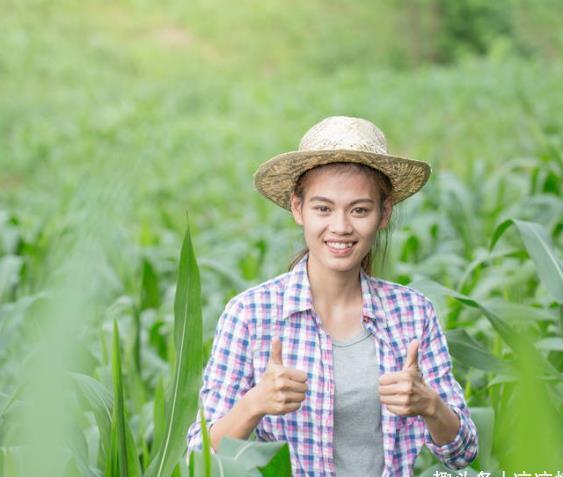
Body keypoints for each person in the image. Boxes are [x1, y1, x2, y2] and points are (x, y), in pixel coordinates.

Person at [186, 116, 478, 476]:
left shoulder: (413, 314)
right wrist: (254, 404)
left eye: (360, 210)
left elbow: (463, 453)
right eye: (323, 208)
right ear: (298, 209)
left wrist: (429, 404)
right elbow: (197, 460)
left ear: (383, 214)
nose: (341, 227)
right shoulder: (250, 315)